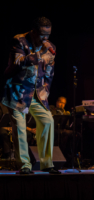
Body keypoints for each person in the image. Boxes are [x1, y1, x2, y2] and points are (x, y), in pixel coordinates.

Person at [0, 17, 60, 174]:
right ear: (33, 32)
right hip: (19, 93)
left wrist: (46, 91)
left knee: (47, 121)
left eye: (48, 35)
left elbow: (49, 74)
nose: (45, 38)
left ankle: (47, 163)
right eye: (42, 35)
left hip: (37, 94)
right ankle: (25, 165)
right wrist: (38, 55)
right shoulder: (20, 40)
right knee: (20, 127)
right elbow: (17, 62)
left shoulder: (50, 47)